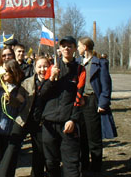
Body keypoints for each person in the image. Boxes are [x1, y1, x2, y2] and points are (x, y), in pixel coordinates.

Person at [0, 56, 50, 177]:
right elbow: (19, 100)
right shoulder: (27, 82)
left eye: (45, 66)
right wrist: (11, 99)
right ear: (35, 68)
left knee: (39, 151)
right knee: (12, 147)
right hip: (23, 119)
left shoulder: (53, 81)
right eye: (39, 67)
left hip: (41, 122)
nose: (42, 69)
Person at [40, 36, 86, 177]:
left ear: (74, 49)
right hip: (49, 123)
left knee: (71, 164)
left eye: (70, 46)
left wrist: (73, 119)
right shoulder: (52, 67)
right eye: (63, 46)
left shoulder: (80, 70)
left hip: (68, 124)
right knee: (51, 163)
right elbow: (42, 94)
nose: (66, 48)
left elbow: (79, 97)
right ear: (59, 48)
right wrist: (51, 79)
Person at [77, 37, 117, 175]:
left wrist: (103, 102)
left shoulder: (99, 63)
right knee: (82, 136)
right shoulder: (79, 63)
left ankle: (95, 168)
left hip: (93, 101)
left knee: (93, 138)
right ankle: (84, 166)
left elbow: (106, 85)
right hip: (79, 102)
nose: (77, 48)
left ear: (86, 47)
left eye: (79, 46)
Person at [0, 59, 25, 177]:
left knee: (7, 161)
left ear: (13, 72)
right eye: (2, 70)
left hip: (9, 130)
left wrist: (12, 100)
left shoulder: (20, 89)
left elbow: (20, 106)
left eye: (6, 71)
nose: (4, 73)